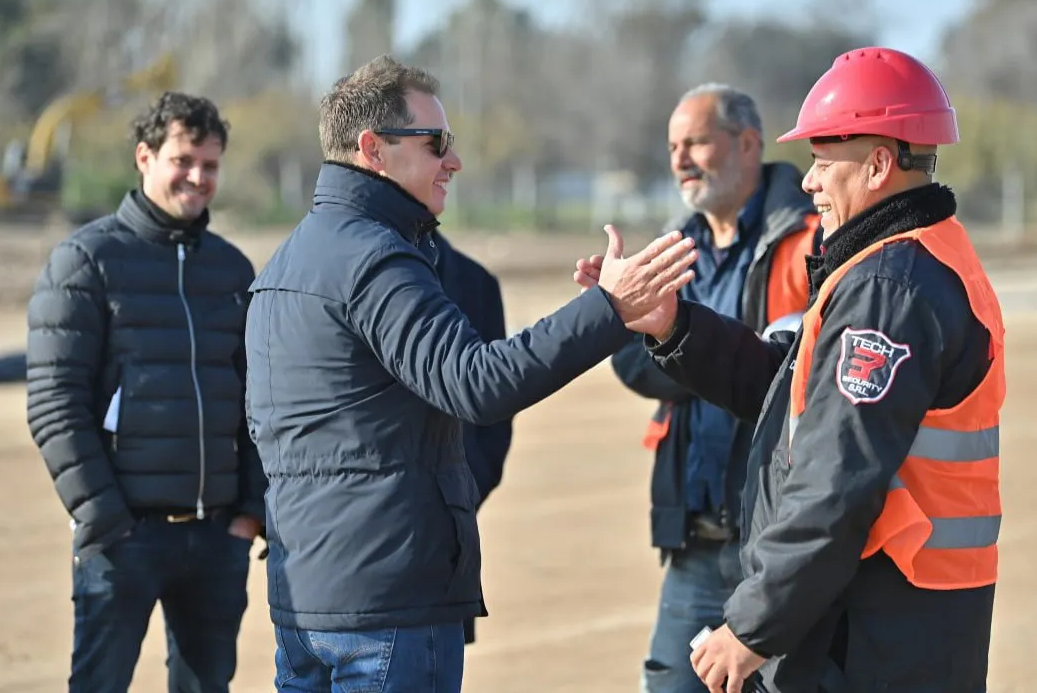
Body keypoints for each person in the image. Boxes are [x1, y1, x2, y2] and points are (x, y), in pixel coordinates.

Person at [243, 54, 699, 693]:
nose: (453, 161)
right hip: (387, 605)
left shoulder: (287, 262)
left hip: (305, 603)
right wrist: (609, 309)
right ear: (373, 149)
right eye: (435, 143)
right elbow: (477, 382)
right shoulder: (375, 259)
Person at [576, 47, 1005, 693]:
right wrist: (674, 325)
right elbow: (787, 385)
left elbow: (836, 480)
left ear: (879, 164)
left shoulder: (888, 288)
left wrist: (752, 628)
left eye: (824, 161)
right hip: (899, 624)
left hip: (876, 632)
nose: (809, 181)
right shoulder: (909, 262)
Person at [25, 92, 265, 693]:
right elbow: (55, 405)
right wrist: (106, 519)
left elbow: (259, 403)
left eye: (210, 165)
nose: (197, 177)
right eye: (183, 160)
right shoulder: (84, 262)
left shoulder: (234, 272)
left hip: (217, 539)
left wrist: (249, 513)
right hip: (123, 539)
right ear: (145, 157)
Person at [610, 83, 818, 693]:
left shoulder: (810, 239)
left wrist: (694, 352)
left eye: (696, 142)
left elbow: (799, 374)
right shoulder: (675, 246)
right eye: (673, 146)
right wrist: (626, 318)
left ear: (748, 143)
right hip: (697, 543)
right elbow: (634, 365)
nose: (680, 159)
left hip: (781, 545)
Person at [430, 228, 516, 646]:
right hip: (356, 547)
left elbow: (495, 415)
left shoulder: (475, 282)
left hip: (450, 537)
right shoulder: (348, 269)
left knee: (441, 666)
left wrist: (460, 492)